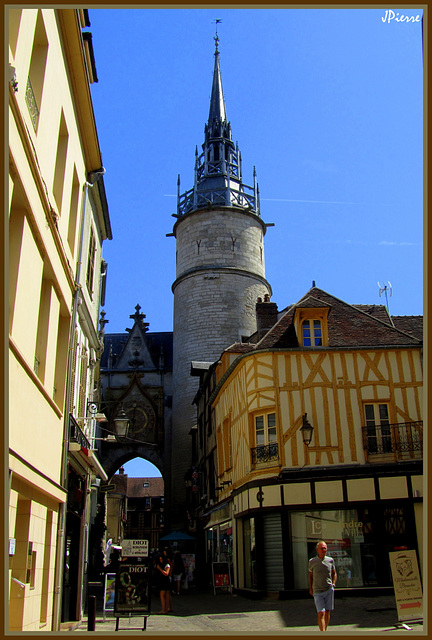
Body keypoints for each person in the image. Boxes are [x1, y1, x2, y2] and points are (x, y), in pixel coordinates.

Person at [308, 540, 337, 632]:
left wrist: (333, 583)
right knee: (321, 613)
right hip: (317, 591)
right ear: (317, 550)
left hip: (328, 590)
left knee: (327, 612)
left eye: (325, 548)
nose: (324, 550)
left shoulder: (330, 560)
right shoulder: (312, 561)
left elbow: (334, 573)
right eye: (322, 548)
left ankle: (325, 630)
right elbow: (310, 576)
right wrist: (311, 588)